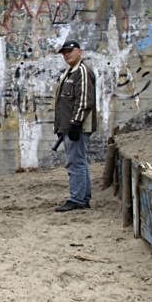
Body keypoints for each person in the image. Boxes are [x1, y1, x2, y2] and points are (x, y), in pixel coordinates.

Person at [53, 39, 97, 212]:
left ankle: (77, 199)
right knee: (79, 161)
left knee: (75, 163)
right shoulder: (70, 72)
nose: (67, 55)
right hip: (69, 126)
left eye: (70, 51)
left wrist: (75, 123)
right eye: (64, 53)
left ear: (80, 51)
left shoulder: (82, 71)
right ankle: (82, 198)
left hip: (77, 126)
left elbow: (85, 100)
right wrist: (61, 127)